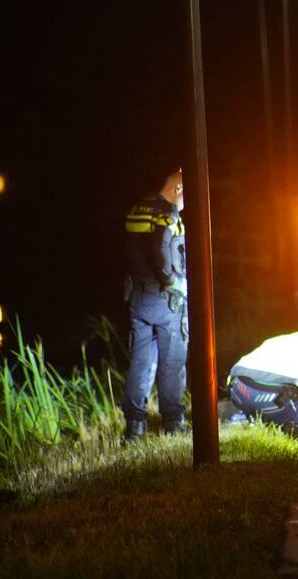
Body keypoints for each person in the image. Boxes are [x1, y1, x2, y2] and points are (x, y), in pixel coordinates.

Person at [121, 167, 188, 441]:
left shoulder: (137, 208)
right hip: (166, 299)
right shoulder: (168, 214)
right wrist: (172, 281)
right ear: (178, 190)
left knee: (141, 362)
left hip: (138, 297)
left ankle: (134, 427)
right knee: (173, 361)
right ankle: (174, 424)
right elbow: (163, 250)